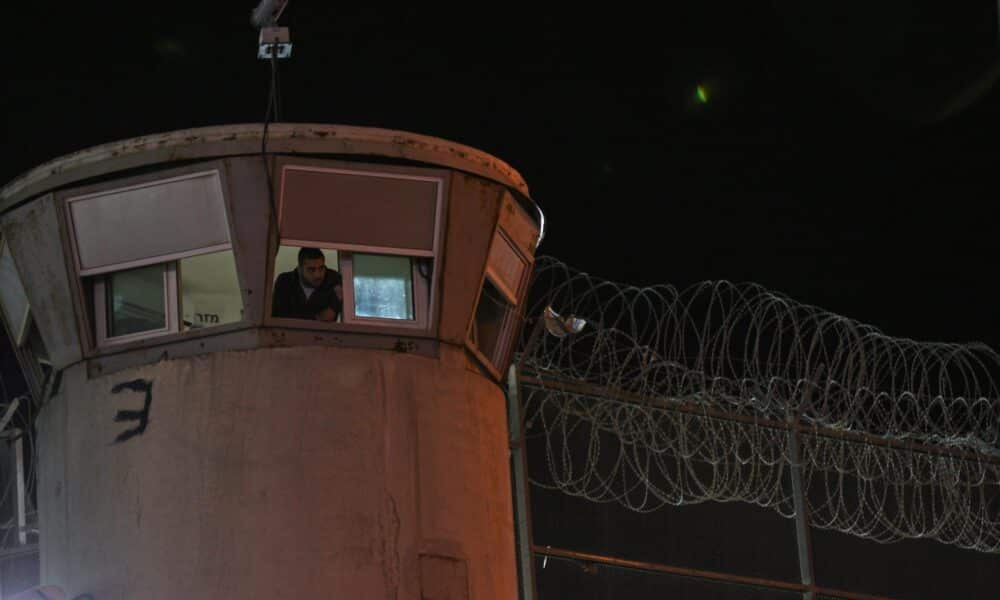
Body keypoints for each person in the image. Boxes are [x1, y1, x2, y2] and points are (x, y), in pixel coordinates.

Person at [272, 247, 343, 321]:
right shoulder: (285, 281)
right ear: (299, 269)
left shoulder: (333, 280)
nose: (317, 275)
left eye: (321, 268)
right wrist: (317, 317)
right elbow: (280, 317)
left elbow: (330, 316)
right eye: (311, 270)